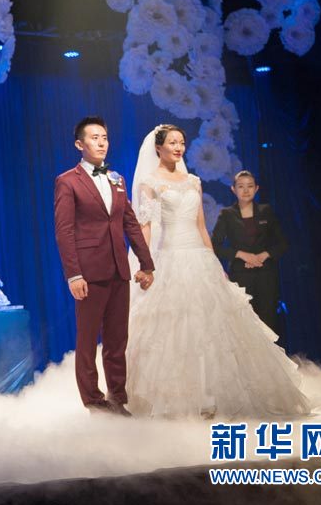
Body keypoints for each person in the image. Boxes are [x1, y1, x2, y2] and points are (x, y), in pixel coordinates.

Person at [125, 125, 309, 419]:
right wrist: (145, 264)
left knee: (213, 327)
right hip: (169, 257)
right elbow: (145, 228)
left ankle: (212, 397)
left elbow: (200, 226)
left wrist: (213, 262)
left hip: (199, 258)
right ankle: (180, 398)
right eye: (172, 142)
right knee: (176, 329)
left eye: (182, 142)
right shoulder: (150, 182)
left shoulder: (193, 181)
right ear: (158, 147)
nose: (179, 147)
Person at [54, 116, 155, 416]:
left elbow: (130, 223)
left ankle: (117, 398)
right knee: (87, 340)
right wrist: (74, 274)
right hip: (88, 271)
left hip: (119, 269)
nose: (101, 143)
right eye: (94, 138)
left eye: (105, 138)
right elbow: (64, 231)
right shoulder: (67, 181)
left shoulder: (116, 179)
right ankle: (94, 402)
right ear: (79, 144)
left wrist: (146, 263)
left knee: (117, 339)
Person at [210, 170, 289, 340]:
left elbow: (282, 243)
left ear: (257, 188)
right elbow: (214, 246)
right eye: (241, 186)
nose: (246, 190)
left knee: (268, 323)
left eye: (250, 186)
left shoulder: (266, 211)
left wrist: (264, 255)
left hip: (266, 274)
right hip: (240, 275)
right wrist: (241, 254)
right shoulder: (227, 214)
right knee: (244, 325)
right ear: (233, 189)